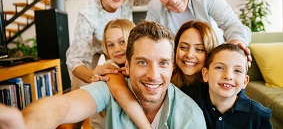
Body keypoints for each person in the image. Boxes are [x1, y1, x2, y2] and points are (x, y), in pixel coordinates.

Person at [65, 0, 216, 128]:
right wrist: (94, 75)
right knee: (84, 88)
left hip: (122, 46)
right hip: (93, 50)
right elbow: (75, 59)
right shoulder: (88, 13)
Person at [0, 21, 203, 129]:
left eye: (163, 63)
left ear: (172, 68)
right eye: (142, 62)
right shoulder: (111, 85)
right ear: (127, 66)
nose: (153, 75)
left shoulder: (190, 117)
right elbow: (64, 106)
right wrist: (24, 123)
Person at [145, 0, 252, 65]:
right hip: (180, 65)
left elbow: (231, 24)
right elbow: (147, 37)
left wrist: (236, 45)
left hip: (211, 58)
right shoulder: (155, 6)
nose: (173, 0)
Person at [182, 43, 272, 129]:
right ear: (205, 74)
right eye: (220, 67)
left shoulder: (258, 115)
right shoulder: (188, 97)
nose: (228, 76)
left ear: (245, 81)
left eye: (238, 71)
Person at [171, 20, 218, 88]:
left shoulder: (217, 87)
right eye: (183, 47)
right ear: (175, 49)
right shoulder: (164, 79)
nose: (189, 55)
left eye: (199, 49)